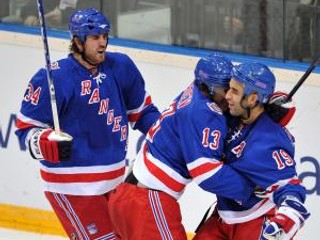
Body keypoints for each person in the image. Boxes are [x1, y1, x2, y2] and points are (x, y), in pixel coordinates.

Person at [15, 8, 160, 240]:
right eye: (95, 37)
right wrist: (43, 141)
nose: (102, 43)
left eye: (104, 36)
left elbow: (142, 113)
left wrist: (165, 133)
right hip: (72, 187)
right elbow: (25, 128)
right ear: (78, 42)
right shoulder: (54, 78)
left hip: (113, 182)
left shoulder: (121, 66)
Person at [107, 53, 259, 240]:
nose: (228, 95)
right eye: (225, 88)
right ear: (209, 88)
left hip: (126, 197)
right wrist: (250, 190)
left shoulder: (195, 91)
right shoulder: (205, 113)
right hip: (147, 203)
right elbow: (207, 174)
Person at [193, 62, 310, 240]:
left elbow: (290, 188)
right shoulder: (230, 116)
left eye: (235, 91)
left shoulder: (269, 142)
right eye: (229, 88)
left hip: (254, 221)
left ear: (253, 99)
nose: (227, 95)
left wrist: (286, 221)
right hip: (222, 216)